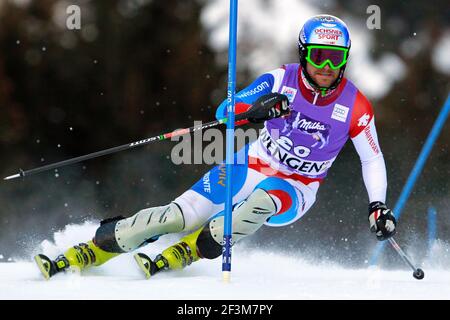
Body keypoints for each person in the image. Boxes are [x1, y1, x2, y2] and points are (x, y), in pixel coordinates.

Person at [35, 14, 397, 280]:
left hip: (296, 188)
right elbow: (226, 111)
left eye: (336, 58)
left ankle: (193, 249)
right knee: (175, 217)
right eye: (319, 56)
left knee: (256, 205)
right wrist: (256, 110)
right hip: (250, 163)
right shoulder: (279, 80)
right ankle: (94, 247)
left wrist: (377, 205)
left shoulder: (356, 106)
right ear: (304, 55)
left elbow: (372, 158)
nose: (327, 67)